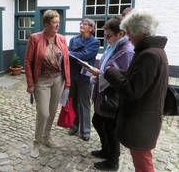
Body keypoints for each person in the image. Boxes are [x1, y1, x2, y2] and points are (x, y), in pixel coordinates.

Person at [92, 9, 169, 172]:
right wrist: (112, 72)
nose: (129, 38)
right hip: (144, 118)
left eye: (130, 33)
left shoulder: (149, 55)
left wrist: (111, 72)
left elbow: (131, 89)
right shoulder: (153, 52)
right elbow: (136, 76)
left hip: (142, 121)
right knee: (141, 160)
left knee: (143, 163)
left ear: (139, 31)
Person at [89, 16, 134, 171]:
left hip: (113, 98)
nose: (106, 39)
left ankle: (112, 162)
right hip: (103, 94)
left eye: (109, 36)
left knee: (110, 130)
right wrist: (98, 74)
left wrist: (99, 73)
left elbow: (123, 77)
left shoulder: (127, 51)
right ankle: (106, 149)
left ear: (121, 34)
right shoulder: (114, 46)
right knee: (96, 121)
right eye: (105, 35)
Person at [25, 9, 70, 158]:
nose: (58, 25)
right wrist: (30, 83)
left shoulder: (62, 39)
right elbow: (28, 61)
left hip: (58, 79)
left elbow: (67, 62)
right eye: (55, 22)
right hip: (42, 80)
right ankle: (36, 142)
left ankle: (46, 137)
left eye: (58, 22)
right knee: (43, 113)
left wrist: (67, 82)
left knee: (51, 111)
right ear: (46, 24)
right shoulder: (35, 38)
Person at [68, 18, 100, 141]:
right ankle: (74, 126)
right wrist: (75, 56)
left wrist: (71, 54)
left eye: (85, 24)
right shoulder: (73, 40)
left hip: (85, 76)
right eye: (81, 23)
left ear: (91, 28)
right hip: (72, 75)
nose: (82, 25)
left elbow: (85, 55)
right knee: (72, 101)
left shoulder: (95, 42)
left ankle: (85, 131)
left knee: (84, 104)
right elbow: (68, 55)